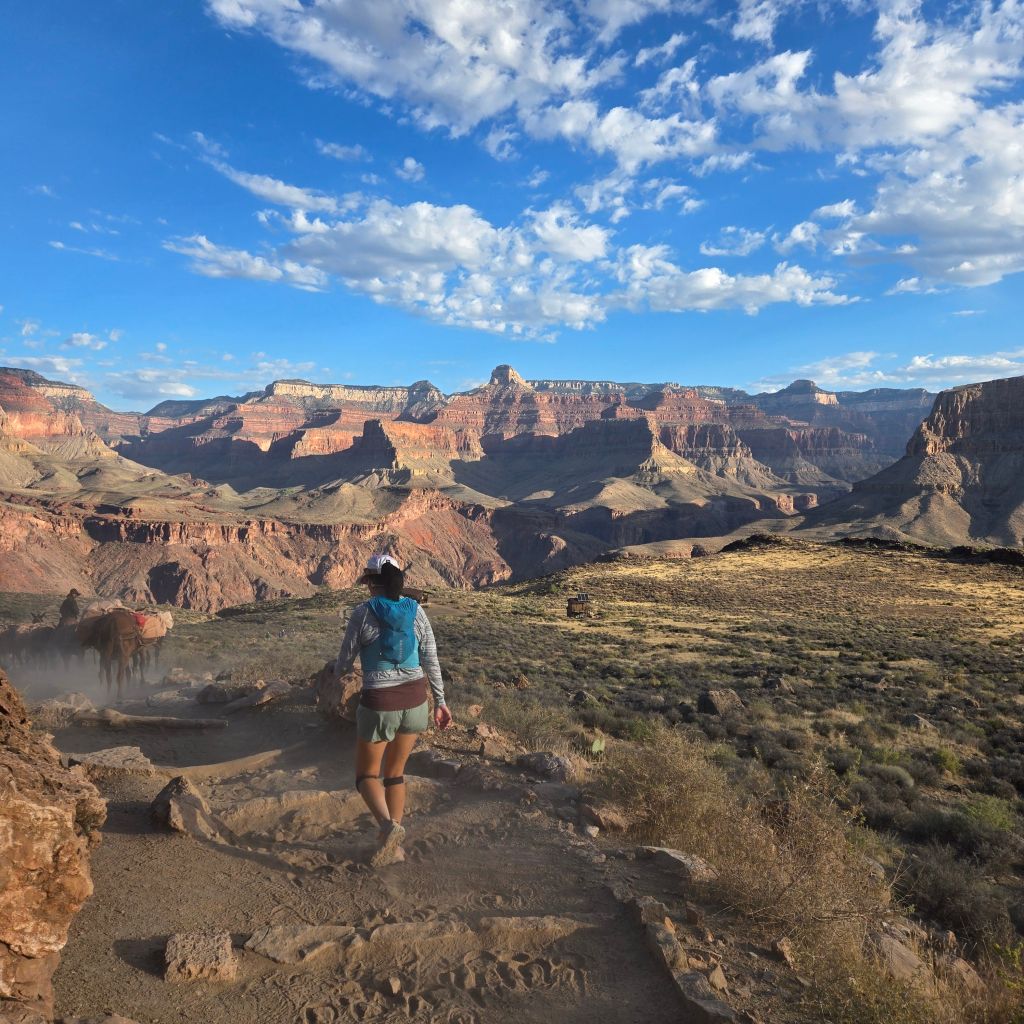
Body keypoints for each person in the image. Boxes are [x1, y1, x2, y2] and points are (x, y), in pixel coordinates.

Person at [335, 553, 453, 866]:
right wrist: (440, 702)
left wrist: (338, 673)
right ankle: (394, 849)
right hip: (416, 701)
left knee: (366, 776)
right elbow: (431, 658)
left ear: (370, 582)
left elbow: (345, 660)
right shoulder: (416, 610)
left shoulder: (363, 612)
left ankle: (388, 828)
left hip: (380, 703)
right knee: (395, 773)